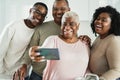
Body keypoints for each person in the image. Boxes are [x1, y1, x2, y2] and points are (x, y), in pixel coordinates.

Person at [21, 0, 91, 79]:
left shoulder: (75, 35)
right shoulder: (43, 30)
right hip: (38, 74)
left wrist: (84, 42)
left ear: (68, 10)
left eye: (62, 9)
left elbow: (70, 55)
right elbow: (33, 49)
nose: (58, 12)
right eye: (55, 9)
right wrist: (25, 64)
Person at [0, 2, 48, 80]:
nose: (39, 17)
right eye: (37, 12)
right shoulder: (13, 27)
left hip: (24, 75)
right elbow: (1, 51)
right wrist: (2, 73)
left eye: (43, 16)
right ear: (30, 11)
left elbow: (37, 52)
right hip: (6, 74)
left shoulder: (38, 31)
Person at [89, 5, 120, 80]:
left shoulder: (113, 40)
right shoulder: (99, 38)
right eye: (98, 18)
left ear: (112, 24)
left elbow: (117, 70)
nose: (98, 21)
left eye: (104, 20)